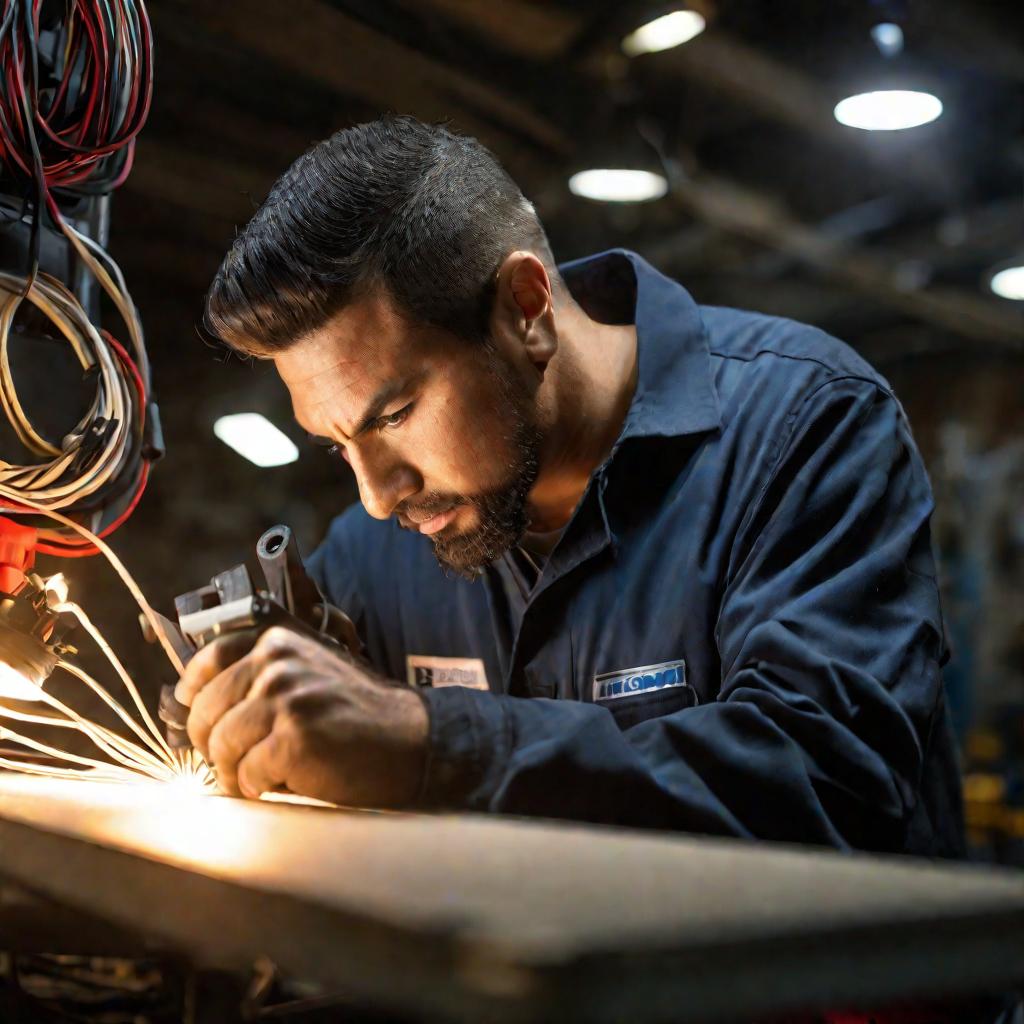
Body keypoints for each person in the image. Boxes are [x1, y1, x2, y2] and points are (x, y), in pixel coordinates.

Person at [178, 115, 964, 856]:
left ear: (527, 308)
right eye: (335, 445)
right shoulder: (378, 548)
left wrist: (430, 742)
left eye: (395, 415)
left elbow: (828, 783)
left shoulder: (808, 426)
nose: (378, 496)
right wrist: (229, 717)